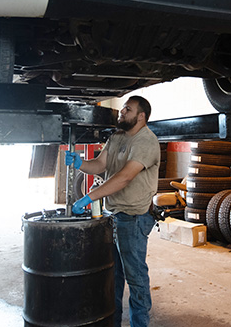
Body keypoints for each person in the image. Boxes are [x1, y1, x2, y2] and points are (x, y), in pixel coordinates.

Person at [66, 95, 160, 327]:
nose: (121, 112)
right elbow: (100, 165)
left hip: (134, 218)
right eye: (122, 108)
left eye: (127, 109)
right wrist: (81, 164)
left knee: (136, 279)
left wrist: (89, 197)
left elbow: (125, 177)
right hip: (114, 217)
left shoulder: (146, 141)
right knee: (113, 277)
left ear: (141, 116)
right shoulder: (117, 137)